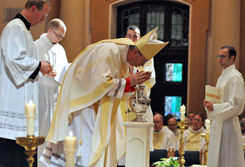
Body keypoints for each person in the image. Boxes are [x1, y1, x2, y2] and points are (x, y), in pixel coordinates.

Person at [40, 27, 168, 167]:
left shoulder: (124, 55)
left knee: (92, 144)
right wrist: (130, 81)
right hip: (83, 100)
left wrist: (132, 83)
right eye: (142, 60)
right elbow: (101, 83)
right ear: (135, 52)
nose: (142, 65)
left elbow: (114, 84)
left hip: (93, 99)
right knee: (84, 145)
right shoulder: (110, 51)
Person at [0, 1, 51, 167]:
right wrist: (39, 65)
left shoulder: (23, 29)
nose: (42, 20)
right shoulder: (15, 27)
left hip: (21, 99)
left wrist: (38, 64)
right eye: (42, 16)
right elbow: (14, 58)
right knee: (12, 155)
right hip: (14, 102)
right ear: (33, 9)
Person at [116, 25, 156, 166]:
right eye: (130, 35)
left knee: (139, 146)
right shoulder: (119, 52)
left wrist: (137, 75)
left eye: (135, 36)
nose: (132, 38)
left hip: (139, 103)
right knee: (121, 145)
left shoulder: (146, 56)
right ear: (125, 37)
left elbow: (150, 78)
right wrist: (130, 78)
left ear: (139, 38)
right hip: (121, 103)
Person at [203, 45, 245, 167]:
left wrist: (215, 107)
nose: (219, 59)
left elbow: (236, 104)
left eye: (223, 56)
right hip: (219, 123)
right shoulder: (222, 76)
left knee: (228, 158)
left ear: (232, 58)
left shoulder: (235, 76)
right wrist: (209, 104)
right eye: (218, 56)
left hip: (229, 125)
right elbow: (219, 99)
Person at [34, 18, 69, 164]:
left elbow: (64, 68)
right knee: (44, 132)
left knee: (56, 134)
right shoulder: (36, 46)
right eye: (59, 35)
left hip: (56, 94)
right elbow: (27, 70)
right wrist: (43, 72)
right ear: (50, 31)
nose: (60, 39)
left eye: (63, 36)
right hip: (42, 93)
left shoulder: (60, 49)